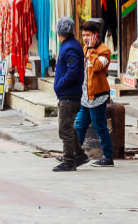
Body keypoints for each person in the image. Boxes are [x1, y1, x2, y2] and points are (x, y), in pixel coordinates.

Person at [74, 20, 114, 168]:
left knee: (100, 127)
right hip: (86, 96)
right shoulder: (86, 48)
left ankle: (108, 157)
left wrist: (90, 50)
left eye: (88, 35)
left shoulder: (104, 51)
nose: (85, 38)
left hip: (98, 95)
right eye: (83, 35)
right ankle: (74, 155)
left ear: (95, 35)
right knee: (79, 125)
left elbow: (97, 67)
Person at [52, 17, 84, 172]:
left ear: (61, 32)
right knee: (69, 127)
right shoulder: (70, 45)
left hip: (69, 95)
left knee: (64, 128)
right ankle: (79, 155)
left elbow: (73, 71)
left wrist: (60, 84)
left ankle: (69, 161)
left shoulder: (70, 48)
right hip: (69, 94)